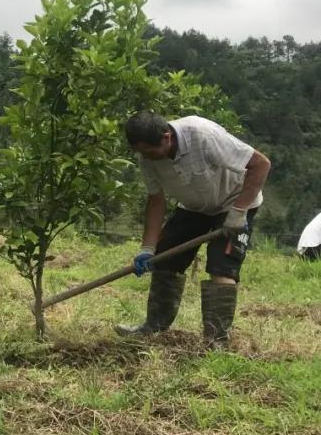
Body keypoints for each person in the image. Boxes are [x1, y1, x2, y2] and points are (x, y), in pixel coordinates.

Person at [115, 111, 271, 349]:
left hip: (234, 202)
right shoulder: (146, 157)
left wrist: (239, 212)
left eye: (149, 151)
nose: (145, 157)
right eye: (140, 152)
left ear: (167, 137)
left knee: (222, 266)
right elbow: (156, 200)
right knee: (165, 258)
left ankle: (215, 342)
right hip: (194, 206)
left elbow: (261, 164)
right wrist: (147, 248)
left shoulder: (202, 135)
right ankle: (153, 328)